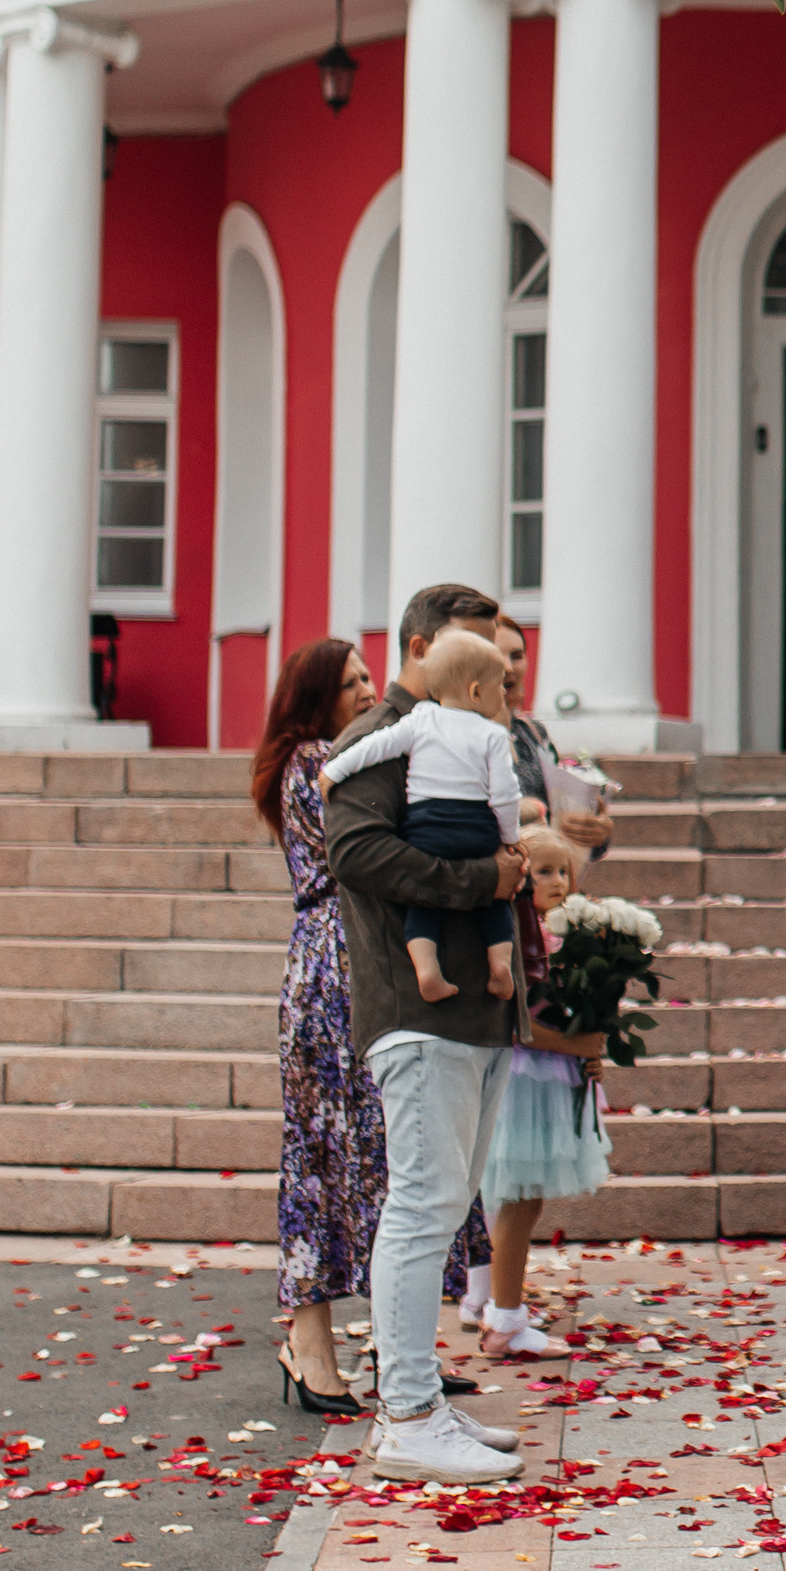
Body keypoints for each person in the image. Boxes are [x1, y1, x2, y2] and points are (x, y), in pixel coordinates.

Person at [325, 579, 533, 1487]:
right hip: (416, 1008)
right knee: (420, 1206)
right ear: (421, 646)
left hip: (474, 1008)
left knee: (443, 1206)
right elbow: (355, 852)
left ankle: (422, 1402)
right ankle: (406, 1416)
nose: (493, 670)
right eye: (474, 649)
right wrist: (484, 880)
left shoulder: (470, 729)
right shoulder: (381, 736)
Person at [255, 635, 382, 1418]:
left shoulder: (332, 757)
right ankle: (310, 1344)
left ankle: (336, 1341)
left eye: (369, 675)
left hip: (346, 955)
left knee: (349, 1150)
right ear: (316, 699)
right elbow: (359, 855)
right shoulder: (313, 762)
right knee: (321, 1154)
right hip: (332, 962)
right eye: (351, 682)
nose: (369, 689)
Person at [469, 823, 609, 1360]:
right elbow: (518, 1019)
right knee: (518, 1195)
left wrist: (593, 1052)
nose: (558, 881)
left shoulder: (571, 936)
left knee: (527, 1201)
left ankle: (497, 1305)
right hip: (528, 1078)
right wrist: (579, 1045)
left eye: (565, 871)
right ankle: (500, 1316)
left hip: (556, 1074)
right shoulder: (518, 936)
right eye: (544, 871)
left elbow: (583, 1018)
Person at [323, 627, 524, 1000]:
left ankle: (427, 970)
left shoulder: (420, 720)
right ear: (477, 692)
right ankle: (499, 966)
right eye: (499, 686)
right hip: (477, 829)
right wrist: (510, 839)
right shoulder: (492, 735)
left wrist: (333, 771)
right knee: (496, 898)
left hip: (426, 828)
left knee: (424, 902)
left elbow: (375, 746)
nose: (504, 693)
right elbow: (505, 796)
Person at [496, 618, 617, 857]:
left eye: (517, 655)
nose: (509, 667)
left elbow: (561, 821)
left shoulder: (533, 733)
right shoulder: (466, 735)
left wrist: (596, 831)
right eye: (497, 657)